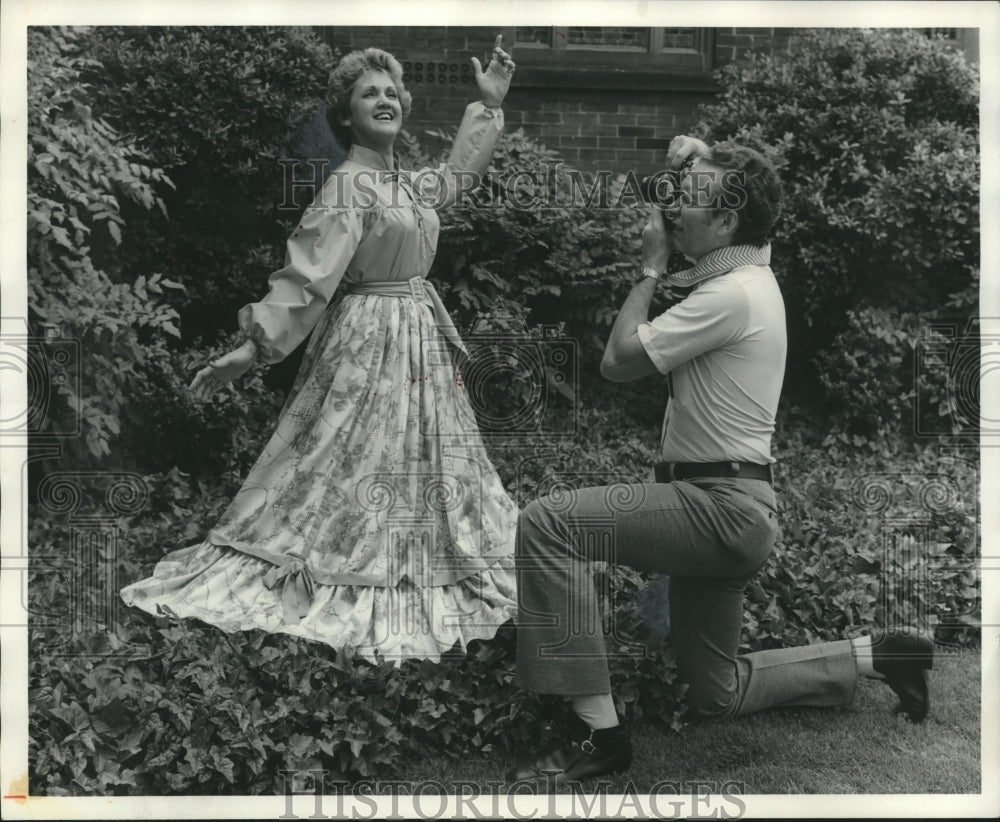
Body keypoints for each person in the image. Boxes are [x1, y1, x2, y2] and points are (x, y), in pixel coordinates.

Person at [506, 136, 934, 784]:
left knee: (548, 523)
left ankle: (600, 735)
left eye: (691, 199)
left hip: (716, 508)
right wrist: (695, 164)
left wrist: (649, 270)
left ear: (728, 221)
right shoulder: (751, 274)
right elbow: (746, 212)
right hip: (731, 512)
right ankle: (885, 655)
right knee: (717, 693)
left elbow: (616, 362)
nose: (674, 208)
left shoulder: (732, 294)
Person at [121, 37, 520, 664]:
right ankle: (349, 559)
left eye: (391, 92)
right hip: (370, 344)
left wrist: (487, 106)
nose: (384, 100)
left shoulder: (401, 181)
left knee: (426, 456)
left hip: (418, 339)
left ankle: (422, 550)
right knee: (350, 456)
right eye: (370, 94)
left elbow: (452, 181)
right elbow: (307, 278)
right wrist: (252, 350)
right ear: (346, 115)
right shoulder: (348, 187)